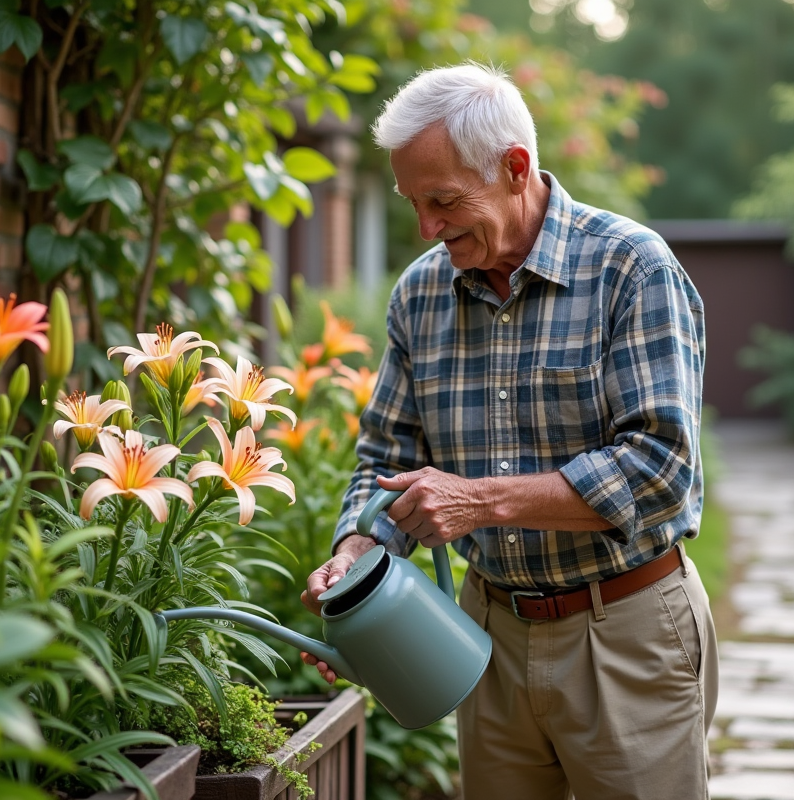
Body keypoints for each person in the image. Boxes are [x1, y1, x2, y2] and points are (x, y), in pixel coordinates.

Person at [300, 62, 717, 800]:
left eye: (444, 200)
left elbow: (660, 469)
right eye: (413, 204)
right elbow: (386, 459)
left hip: (626, 634)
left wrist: (480, 501)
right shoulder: (420, 294)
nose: (427, 228)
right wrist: (356, 553)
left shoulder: (631, 268)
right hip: (487, 635)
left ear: (515, 167)